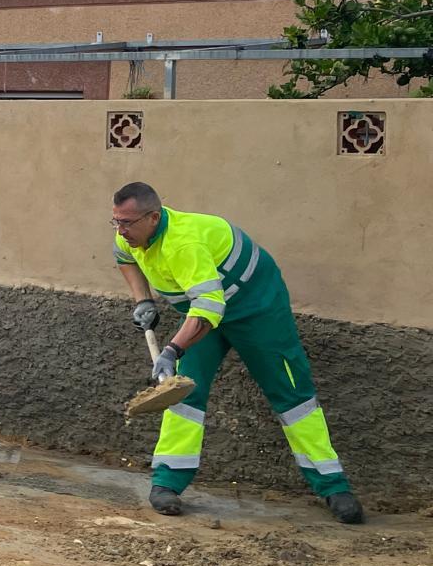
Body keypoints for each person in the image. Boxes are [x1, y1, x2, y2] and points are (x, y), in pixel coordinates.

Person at [111, 181, 363, 524]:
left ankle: (334, 486)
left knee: (292, 393)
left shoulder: (184, 243)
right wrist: (143, 300)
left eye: (127, 223)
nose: (120, 230)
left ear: (153, 217)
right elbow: (124, 259)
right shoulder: (131, 235)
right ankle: (167, 482)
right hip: (204, 307)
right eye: (116, 222)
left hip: (255, 306)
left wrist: (172, 349)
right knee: (182, 388)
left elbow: (209, 310)